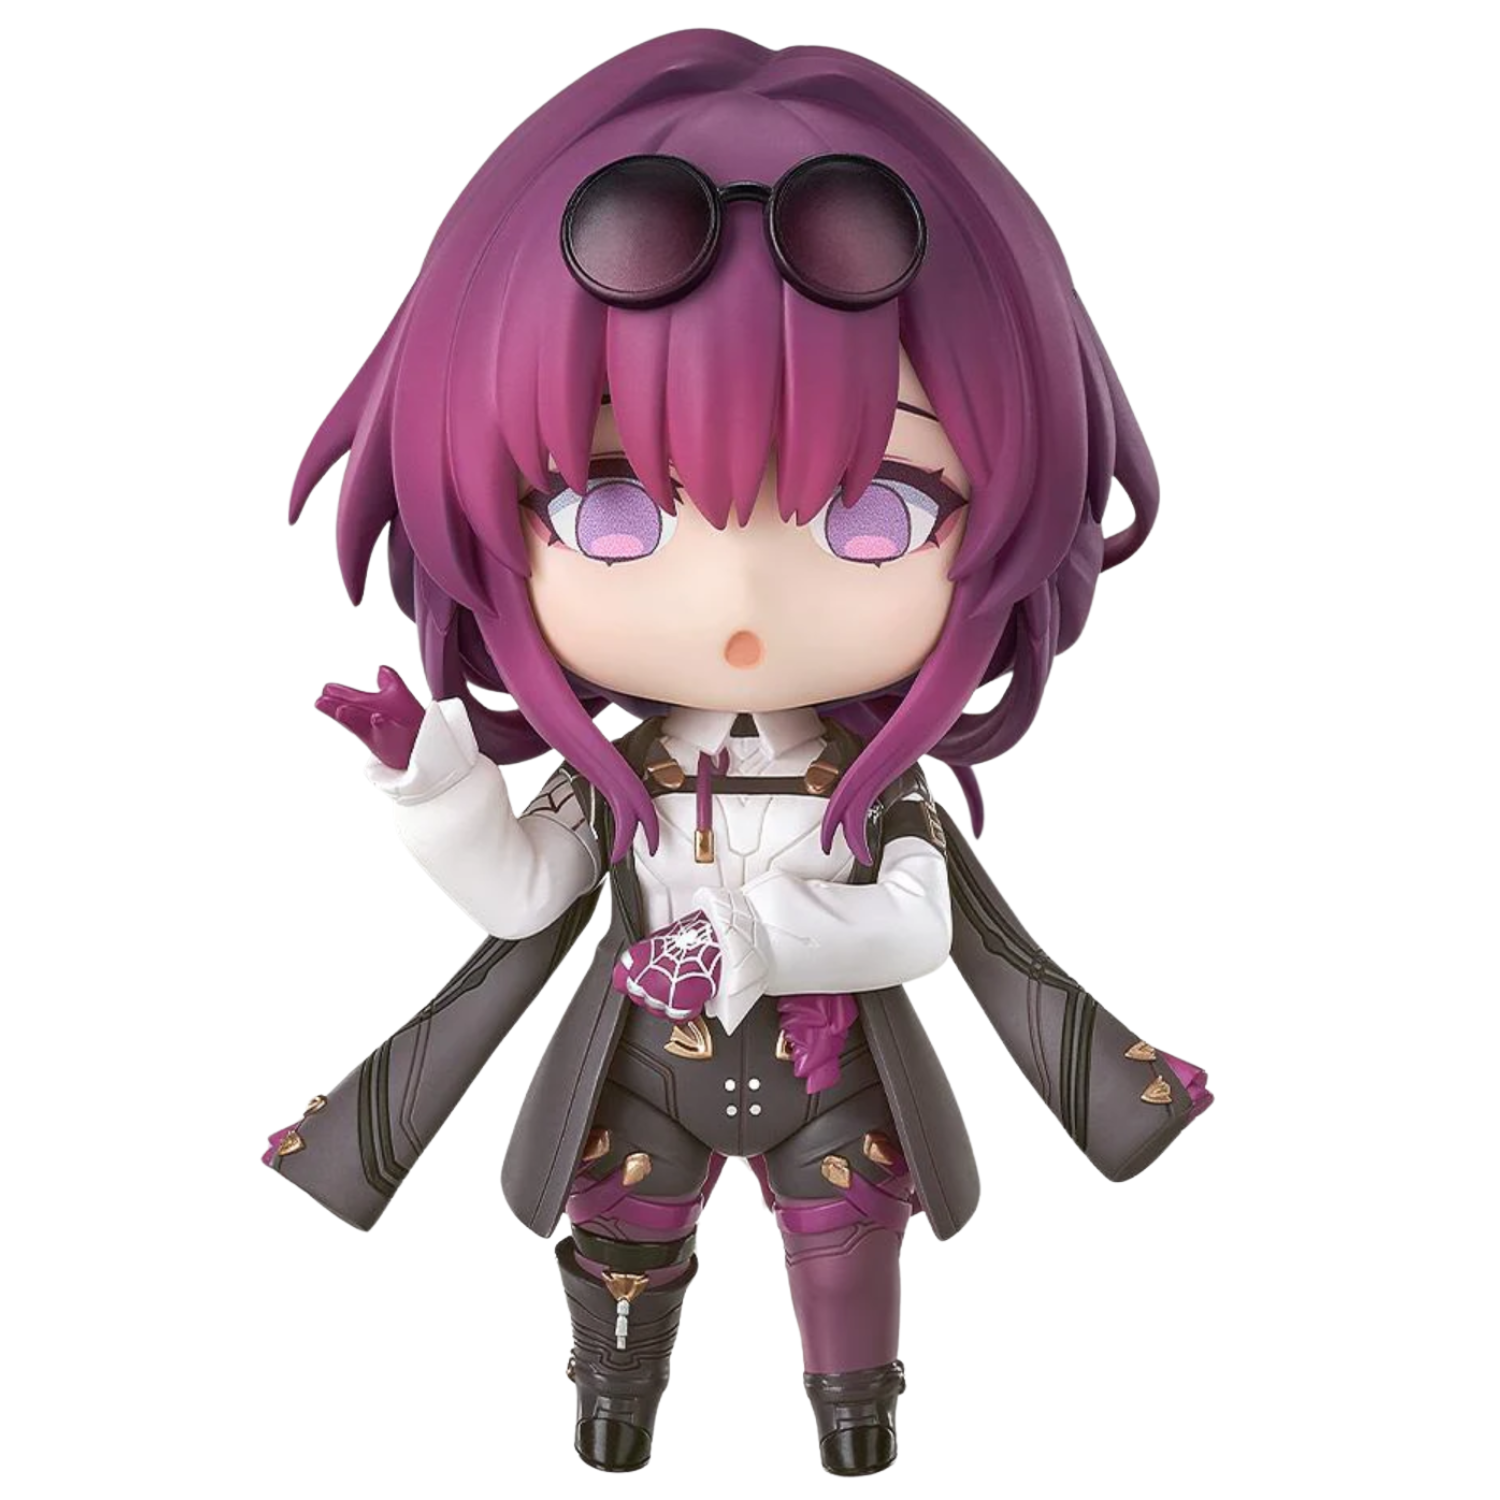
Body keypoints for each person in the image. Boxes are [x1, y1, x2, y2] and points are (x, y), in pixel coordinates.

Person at [265, 28, 1212, 1477]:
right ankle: (613, 1403)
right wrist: (439, 788)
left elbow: (919, 927)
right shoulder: (621, 780)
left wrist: (763, 939)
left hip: (838, 1077)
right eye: (611, 510)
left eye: (878, 512)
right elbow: (525, 897)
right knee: (621, 1251)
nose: (741, 596)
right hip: (638, 1071)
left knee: (849, 1248)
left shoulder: (873, 791)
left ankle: (856, 1417)